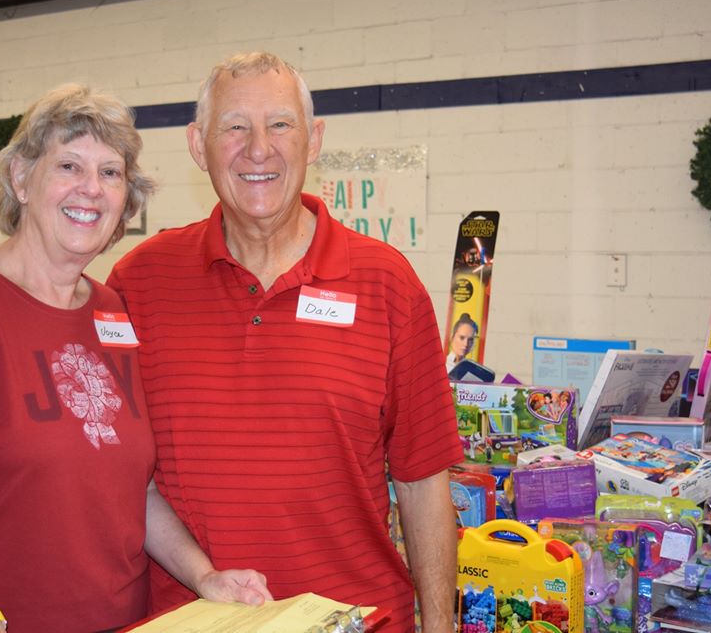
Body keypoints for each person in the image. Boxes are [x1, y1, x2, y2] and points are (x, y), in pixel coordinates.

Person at [0, 84, 271, 633]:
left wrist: (204, 577)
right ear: (20, 179)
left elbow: (138, 490)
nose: (92, 189)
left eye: (111, 173)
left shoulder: (111, 313)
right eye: (69, 165)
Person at [109, 52, 462, 633]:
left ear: (313, 140)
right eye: (235, 127)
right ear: (198, 145)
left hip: (358, 619)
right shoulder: (138, 283)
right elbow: (118, 475)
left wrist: (439, 624)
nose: (258, 149)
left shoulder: (386, 284)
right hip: (192, 620)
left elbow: (422, 477)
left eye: (280, 124)